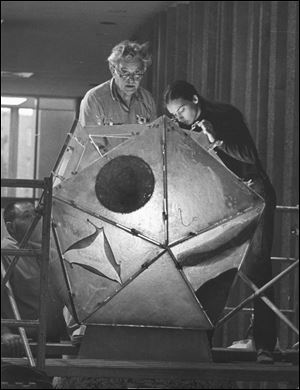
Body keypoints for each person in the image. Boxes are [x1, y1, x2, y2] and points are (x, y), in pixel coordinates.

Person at [163, 80, 277, 364]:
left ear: (194, 99)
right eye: (174, 114)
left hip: (254, 190)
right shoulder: (187, 129)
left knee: (257, 266)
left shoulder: (226, 115)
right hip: (224, 198)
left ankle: (265, 344)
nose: (180, 117)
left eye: (182, 110)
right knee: (211, 267)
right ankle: (200, 342)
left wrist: (216, 139)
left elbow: (250, 156)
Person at [1, 201, 68, 357]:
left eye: (37, 215)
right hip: (20, 344)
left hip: (53, 341)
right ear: (11, 227)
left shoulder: (47, 248)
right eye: (27, 216)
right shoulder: (5, 252)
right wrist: (4, 332)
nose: (36, 220)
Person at [79, 40, 157, 127]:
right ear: (113, 70)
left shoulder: (147, 100)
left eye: (137, 74)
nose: (131, 80)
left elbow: (153, 137)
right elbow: (87, 138)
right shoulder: (95, 99)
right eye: (125, 73)